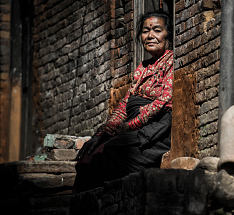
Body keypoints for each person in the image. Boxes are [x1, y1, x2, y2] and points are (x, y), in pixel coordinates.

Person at [73, 10, 173, 193]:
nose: (150, 36)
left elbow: (164, 101)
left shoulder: (171, 62)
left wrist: (130, 126)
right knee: (89, 155)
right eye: (145, 31)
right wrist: (100, 134)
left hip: (154, 132)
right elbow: (123, 107)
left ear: (168, 34)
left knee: (111, 151)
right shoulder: (143, 68)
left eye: (157, 30)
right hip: (134, 128)